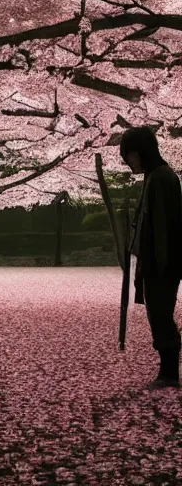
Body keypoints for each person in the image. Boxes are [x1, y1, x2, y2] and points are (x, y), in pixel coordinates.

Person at [121, 126, 182, 389]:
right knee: (158, 314)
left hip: (162, 262)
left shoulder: (162, 177)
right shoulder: (154, 176)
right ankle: (167, 372)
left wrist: (161, 264)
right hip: (156, 261)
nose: (128, 163)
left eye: (129, 156)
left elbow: (164, 227)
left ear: (139, 152)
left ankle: (169, 374)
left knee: (161, 314)